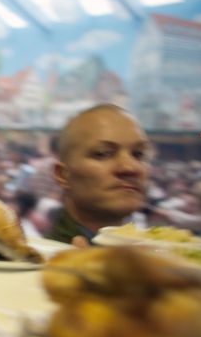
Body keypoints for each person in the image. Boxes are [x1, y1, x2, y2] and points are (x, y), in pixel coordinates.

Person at [44, 104, 153, 247]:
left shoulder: (154, 257)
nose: (130, 167)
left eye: (138, 154)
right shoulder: (44, 263)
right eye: (103, 154)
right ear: (62, 175)